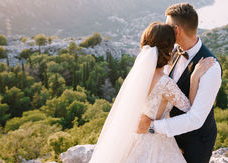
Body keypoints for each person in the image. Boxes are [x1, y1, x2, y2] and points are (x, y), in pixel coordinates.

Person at [89, 22, 215, 163]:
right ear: (168, 49)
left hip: (134, 138)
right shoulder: (165, 83)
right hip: (156, 142)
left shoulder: (140, 77)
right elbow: (189, 110)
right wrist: (194, 80)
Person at [137, 3, 223, 163]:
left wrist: (151, 126)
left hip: (195, 143)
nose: (164, 29)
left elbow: (196, 118)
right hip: (166, 139)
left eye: (167, 26)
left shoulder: (210, 68)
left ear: (177, 30)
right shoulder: (171, 52)